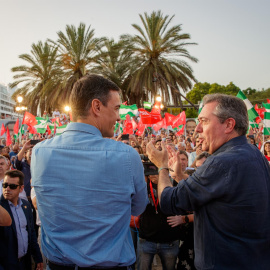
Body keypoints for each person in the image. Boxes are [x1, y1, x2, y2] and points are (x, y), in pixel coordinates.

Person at [31, 74, 148, 269]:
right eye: (117, 108)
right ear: (97, 107)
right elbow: (138, 208)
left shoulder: (39, 152)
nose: (119, 117)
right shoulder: (126, 155)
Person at [147, 93, 270, 269]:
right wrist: (181, 177)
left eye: (204, 121)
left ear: (228, 124)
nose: (197, 129)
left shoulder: (222, 162)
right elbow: (212, 197)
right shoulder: (255, 154)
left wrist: (162, 167)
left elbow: (169, 200)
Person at [0, 170, 43, 270]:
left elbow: (31, 233)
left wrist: (37, 257)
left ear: (21, 188)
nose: (7, 189)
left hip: (25, 263)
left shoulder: (26, 205)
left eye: (13, 186)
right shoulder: (1, 209)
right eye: (5, 185)